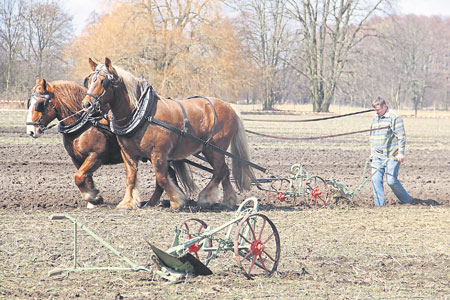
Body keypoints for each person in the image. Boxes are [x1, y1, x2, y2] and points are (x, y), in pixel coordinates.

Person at [369, 97, 412, 206]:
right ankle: (380, 205)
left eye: (378, 109)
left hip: (393, 154)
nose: (376, 112)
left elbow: (401, 136)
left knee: (391, 180)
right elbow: (372, 135)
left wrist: (401, 153)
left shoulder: (394, 117)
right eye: (375, 110)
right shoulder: (375, 118)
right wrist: (372, 151)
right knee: (375, 179)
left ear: (384, 106)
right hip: (378, 155)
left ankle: (407, 200)